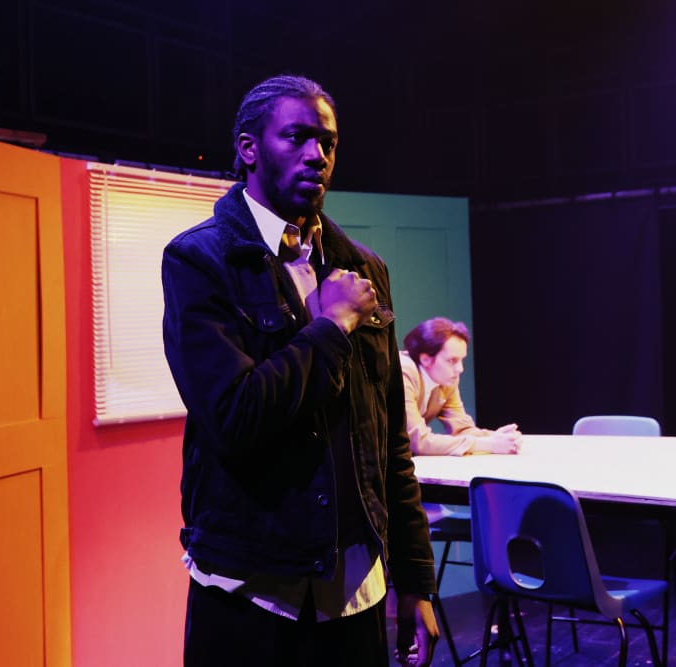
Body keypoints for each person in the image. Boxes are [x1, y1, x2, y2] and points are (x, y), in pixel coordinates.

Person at [161, 74, 439, 667]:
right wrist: (331, 327)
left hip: (356, 591)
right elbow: (235, 416)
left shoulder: (363, 269)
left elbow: (388, 439)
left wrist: (416, 576)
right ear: (248, 148)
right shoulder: (199, 260)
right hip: (250, 592)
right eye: (297, 137)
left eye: (329, 142)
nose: (318, 154)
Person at [400, 317, 522, 456]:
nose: (460, 369)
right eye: (452, 360)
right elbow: (419, 442)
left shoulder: (446, 379)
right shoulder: (402, 372)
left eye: (461, 360)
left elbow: (462, 429)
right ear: (425, 359)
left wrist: (498, 438)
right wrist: (490, 444)